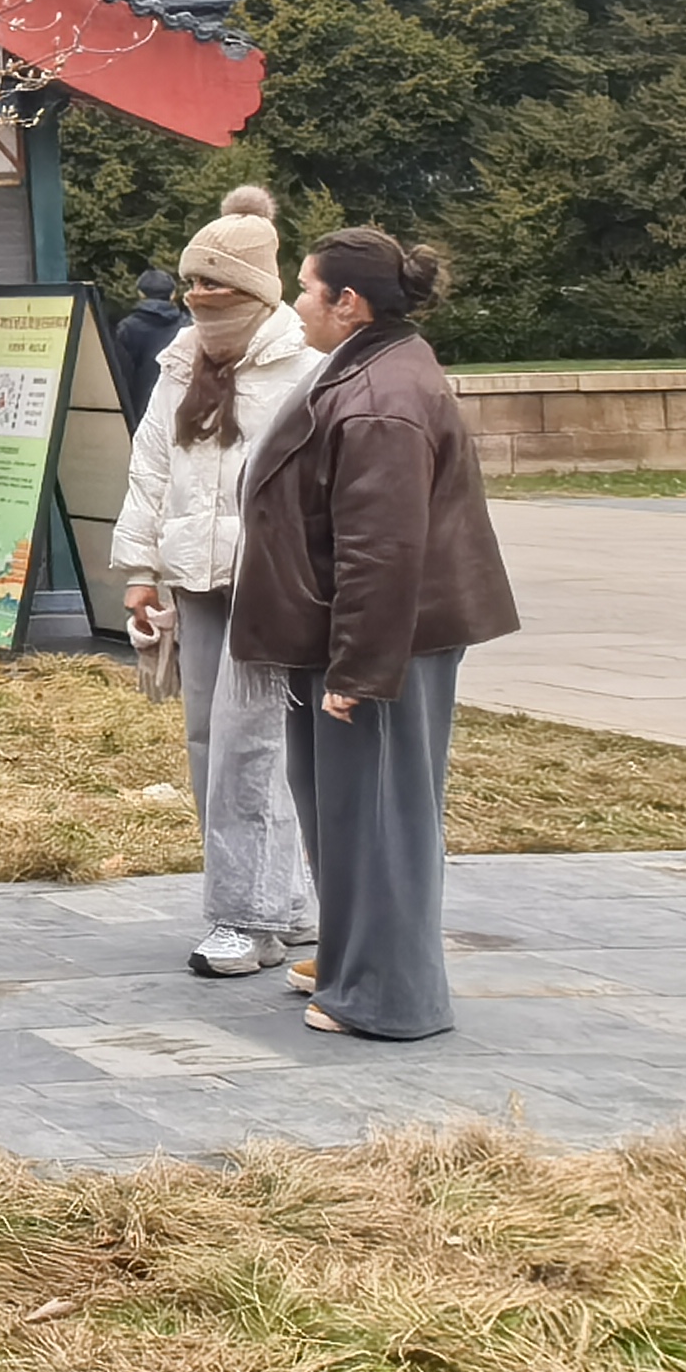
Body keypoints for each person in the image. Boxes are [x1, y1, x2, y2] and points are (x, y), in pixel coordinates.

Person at [231, 228, 518, 1042]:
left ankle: (391, 995)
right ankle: (355, 957)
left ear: (348, 303)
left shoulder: (383, 398)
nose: (296, 303)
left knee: (383, 817)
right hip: (352, 635)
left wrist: (359, 669)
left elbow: (382, 550)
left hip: (384, 643)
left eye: (305, 287)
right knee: (346, 810)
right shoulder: (371, 366)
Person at [111, 210, 318, 978]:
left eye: (214, 281)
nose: (198, 295)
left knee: (253, 749)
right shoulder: (179, 364)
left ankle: (249, 918)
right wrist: (140, 570)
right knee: (210, 744)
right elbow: (150, 468)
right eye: (191, 280)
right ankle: (283, 898)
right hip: (194, 584)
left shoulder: (303, 369)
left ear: (255, 288)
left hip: (269, 586)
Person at [109, 268, 190, 433]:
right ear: (173, 294)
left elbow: (122, 376)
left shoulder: (128, 328)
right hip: (181, 409)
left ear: (141, 294)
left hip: (142, 413)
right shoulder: (188, 326)